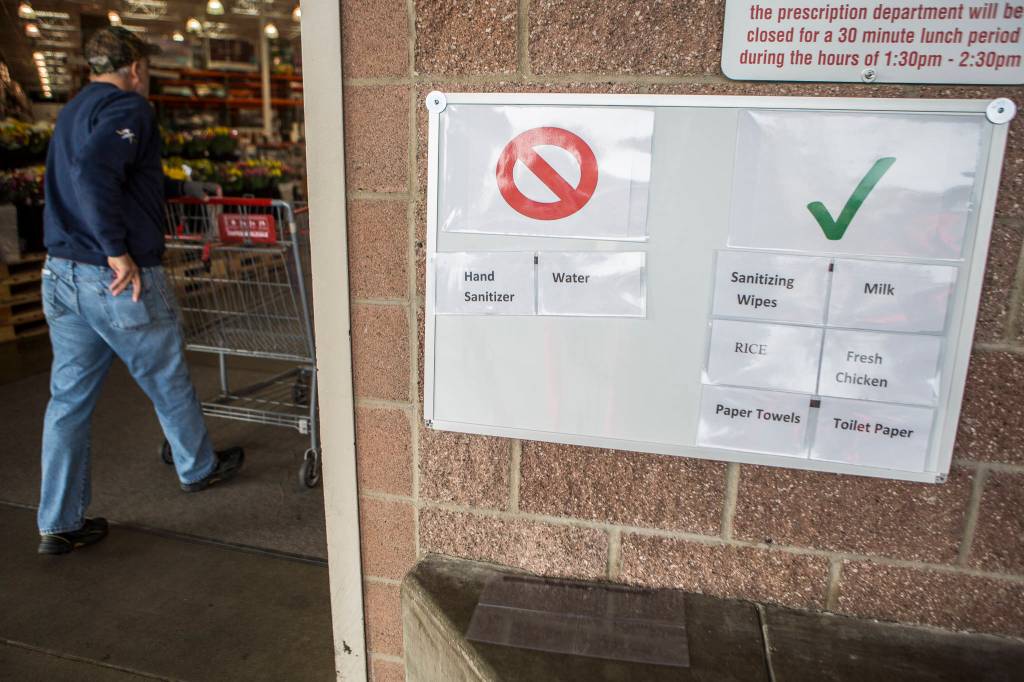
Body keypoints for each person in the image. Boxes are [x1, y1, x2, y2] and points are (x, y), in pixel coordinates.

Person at [37, 27, 244, 555]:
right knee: (165, 371)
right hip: (115, 276)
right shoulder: (130, 107)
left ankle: (58, 523)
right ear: (136, 69)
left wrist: (183, 189)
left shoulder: (72, 111)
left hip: (61, 274)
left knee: (68, 401)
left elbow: (113, 176)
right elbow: (94, 174)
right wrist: (116, 250)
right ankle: (197, 466)